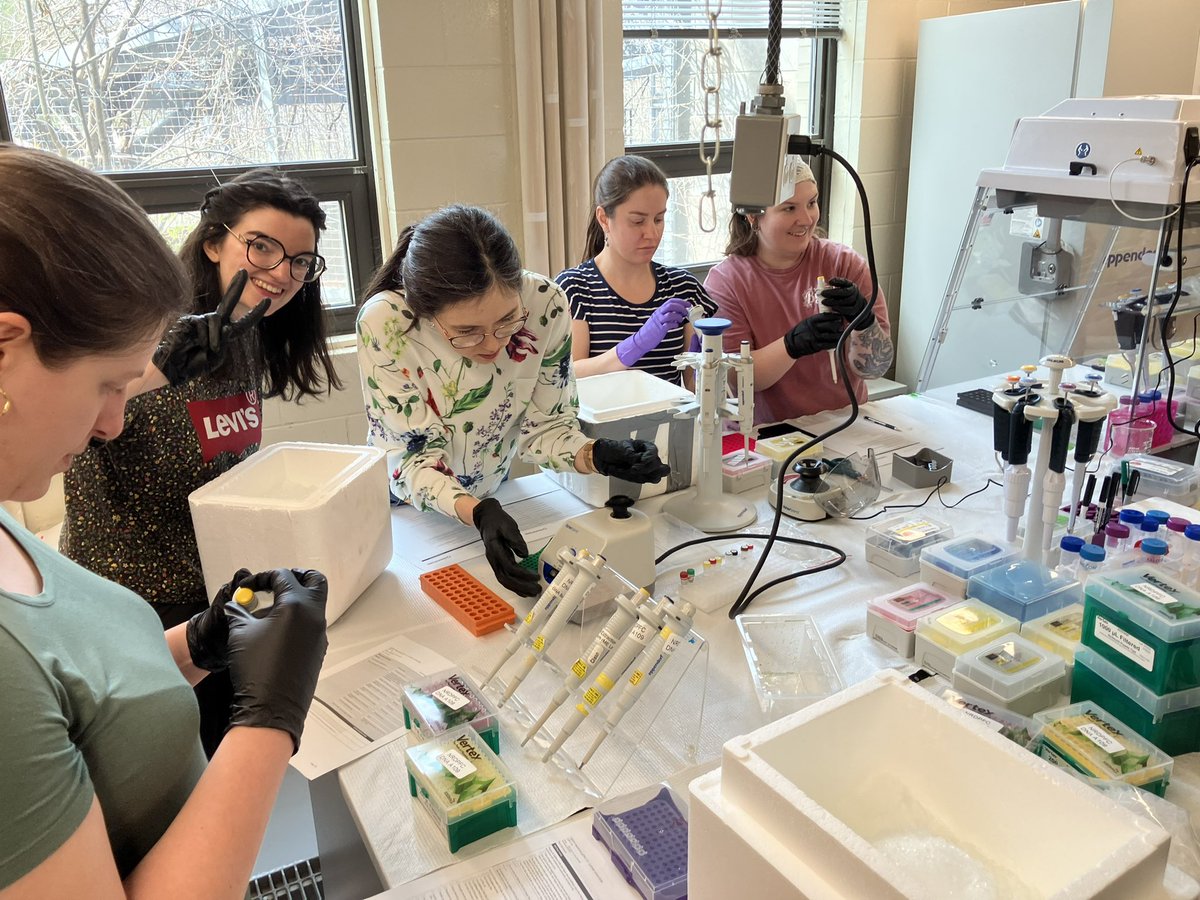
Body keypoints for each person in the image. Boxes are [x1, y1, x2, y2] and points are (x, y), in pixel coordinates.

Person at [0, 144, 328, 897]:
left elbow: (91, 700)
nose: (112, 422)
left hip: (189, 606)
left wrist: (195, 643)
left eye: (300, 261)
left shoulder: (13, 540)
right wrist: (271, 720)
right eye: (109, 384)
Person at [60, 168, 342, 754]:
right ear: (214, 241)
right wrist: (153, 370)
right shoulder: (142, 333)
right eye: (261, 247)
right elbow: (65, 436)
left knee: (215, 760)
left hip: (213, 597)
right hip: (132, 606)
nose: (280, 273)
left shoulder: (244, 335)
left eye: (300, 262)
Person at [358, 204, 670, 597]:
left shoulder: (545, 304)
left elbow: (547, 428)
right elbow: (407, 461)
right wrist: (477, 513)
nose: (494, 345)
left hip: (493, 495)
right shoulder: (387, 323)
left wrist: (598, 453)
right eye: (467, 332)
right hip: (405, 512)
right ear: (426, 313)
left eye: (508, 321)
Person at [704, 159, 894, 424]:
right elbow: (736, 379)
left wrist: (864, 323)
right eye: (789, 208)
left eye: (812, 203)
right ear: (752, 216)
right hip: (771, 435)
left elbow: (877, 368)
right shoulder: (727, 282)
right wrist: (791, 346)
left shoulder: (845, 264)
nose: (806, 219)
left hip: (846, 425)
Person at [555, 156, 716, 385]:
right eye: (638, 221)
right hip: (605, 419)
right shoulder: (574, 288)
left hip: (669, 420)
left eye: (659, 219)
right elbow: (568, 375)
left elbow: (694, 390)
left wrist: (707, 369)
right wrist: (635, 345)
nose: (651, 233)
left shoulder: (683, 287)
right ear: (604, 219)